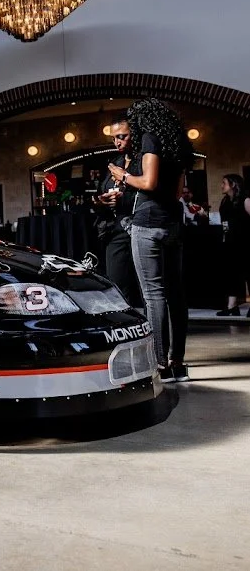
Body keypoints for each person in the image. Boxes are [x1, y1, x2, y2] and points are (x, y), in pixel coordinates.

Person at [108, 98, 195, 383]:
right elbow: (178, 192)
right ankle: (178, 363)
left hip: (148, 223)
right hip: (173, 223)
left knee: (154, 295)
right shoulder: (178, 145)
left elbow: (148, 183)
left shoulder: (149, 138)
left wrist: (123, 175)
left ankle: (160, 365)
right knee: (176, 294)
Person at [93, 115, 141, 307]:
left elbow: (149, 190)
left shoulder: (144, 160)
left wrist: (124, 196)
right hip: (116, 230)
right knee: (117, 286)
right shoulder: (115, 162)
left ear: (134, 134)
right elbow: (100, 192)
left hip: (140, 226)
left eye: (122, 136)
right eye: (114, 138)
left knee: (146, 288)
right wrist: (103, 200)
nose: (117, 142)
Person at [215, 173, 249, 317]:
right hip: (230, 242)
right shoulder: (225, 201)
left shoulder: (245, 200)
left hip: (245, 242)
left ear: (233, 185)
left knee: (248, 273)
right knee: (232, 275)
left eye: (224, 183)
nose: (222, 186)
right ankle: (232, 306)